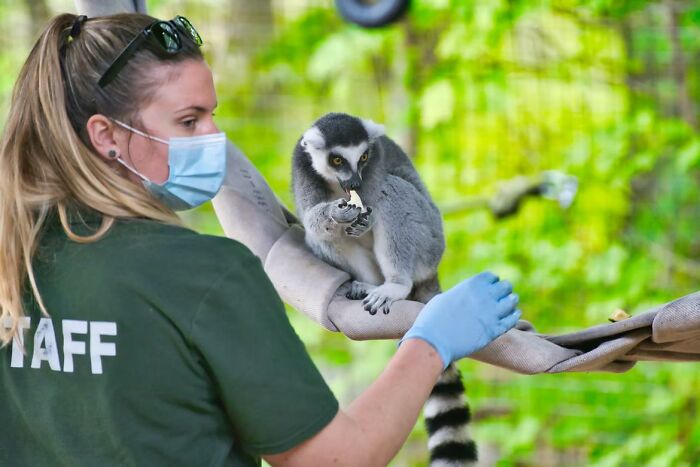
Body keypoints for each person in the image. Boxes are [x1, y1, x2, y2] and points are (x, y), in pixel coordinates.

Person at [0, 13, 521, 466]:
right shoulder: (201, 272)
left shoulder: (14, 252)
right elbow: (334, 458)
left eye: (212, 115)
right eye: (188, 121)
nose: (214, 140)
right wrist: (430, 344)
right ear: (106, 136)